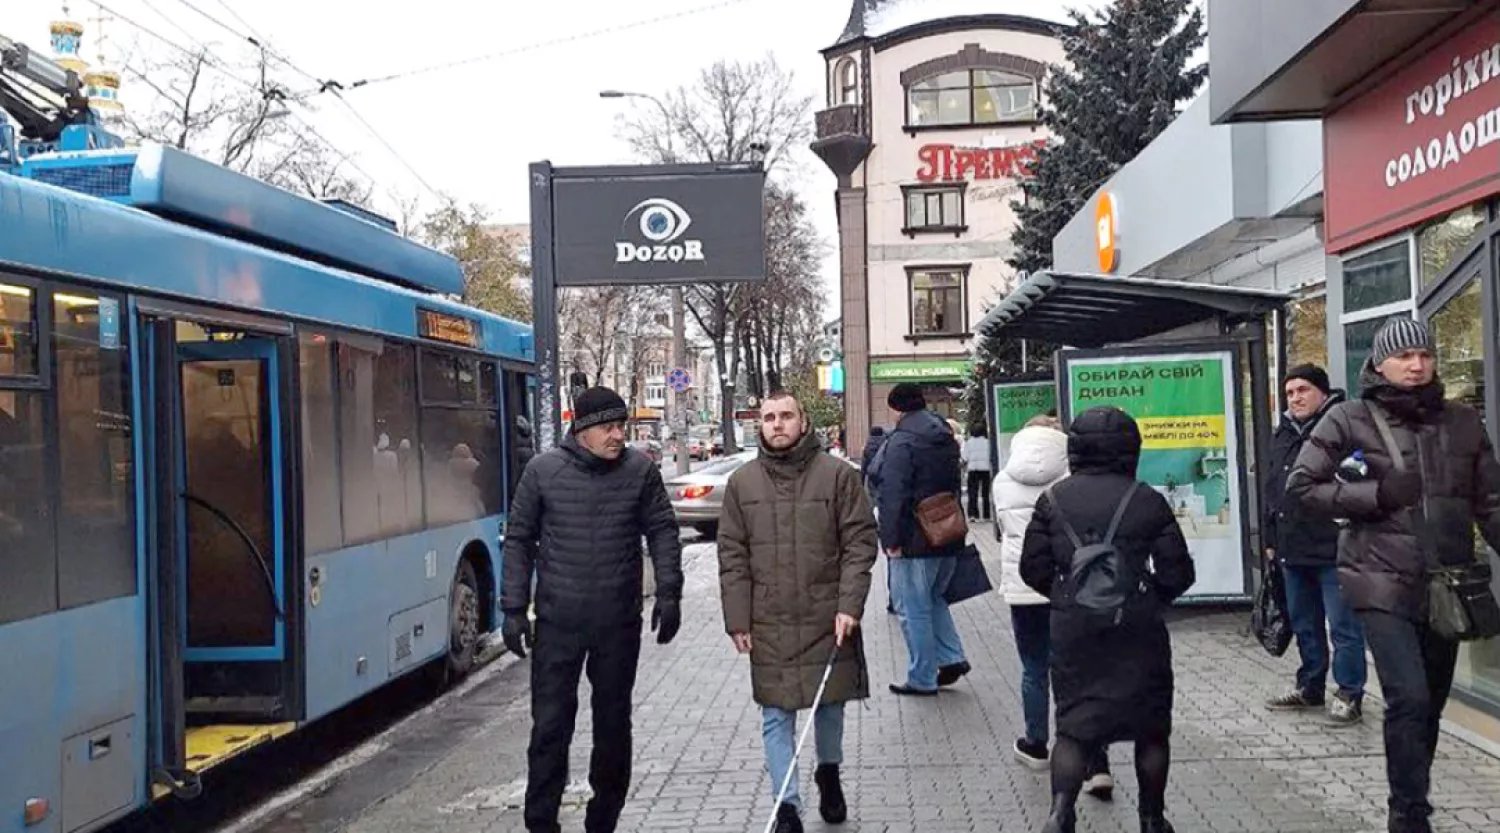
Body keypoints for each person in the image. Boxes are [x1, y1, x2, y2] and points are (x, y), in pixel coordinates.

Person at [1286, 318, 1500, 833]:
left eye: (1424, 355)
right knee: (1407, 696)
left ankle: (1410, 791)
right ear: (1380, 363)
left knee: (1430, 702)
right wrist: (1375, 495)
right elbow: (1301, 486)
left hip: (1446, 581)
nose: (1417, 364)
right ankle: (1409, 815)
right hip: (1378, 578)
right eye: (1404, 356)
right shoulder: (1349, 418)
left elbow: (1490, 503)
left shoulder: (1463, 421)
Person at [499, 386, 684, 833]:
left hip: (617, 623)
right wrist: (513, 607)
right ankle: (541, 821)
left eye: (621, 426)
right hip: (559, 622)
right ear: (581, 431)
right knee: (549, 728)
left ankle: (603, 818)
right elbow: (519, 540)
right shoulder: (542, 472)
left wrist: (669, 592)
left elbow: (662, 530)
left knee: (613, 725)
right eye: (608, 427)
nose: (618, 435)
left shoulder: (640, 471)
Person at [1019, 406, 1196, 833]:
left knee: (1075, 727)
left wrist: (1067, 597)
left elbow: (1032, 566)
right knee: (1151, 728)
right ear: (1130, 447)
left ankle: (1061, 813)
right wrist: (1147, 597)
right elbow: (1178, 571)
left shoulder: (1053, 500)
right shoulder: (1146, 498)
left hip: (1074, 627)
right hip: (1137, 627)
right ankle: (1152, 819)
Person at [718, 390, 877, 833]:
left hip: (828, 615)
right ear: (760, 425)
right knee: (775, 711)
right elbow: (732, 554)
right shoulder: (742, 483)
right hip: (769, 618)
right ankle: (786, 804)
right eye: (769, 417)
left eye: (786, 415)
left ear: (803, 422)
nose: (777, 423)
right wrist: (737, 618)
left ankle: (829, 771)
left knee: (829, 703)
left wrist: (850, 604)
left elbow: (860, 542)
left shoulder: (839, 477)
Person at [994, 415, 1115, 797]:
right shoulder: (1075, 479)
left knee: (1034, 667)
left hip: (1024, 587)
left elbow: (1002, 529)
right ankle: (1095, 761)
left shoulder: (1002, 481)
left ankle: (1035, 744)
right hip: (1071, 588)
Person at [1261, 364, 1366, 724]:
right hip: (1292, 547)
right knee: (1305, 624)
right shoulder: (1284, 433)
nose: (1296, 398)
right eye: (1290, 393)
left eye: (1303, 390)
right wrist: (1271, 538)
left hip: (1334, 547)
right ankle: (1310, 687)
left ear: (1323, 391)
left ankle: (1350, 693)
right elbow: (1272, 488)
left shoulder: (1343, 429)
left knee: (1342, 627)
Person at [875, 383, 970, 695]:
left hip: (915, 538)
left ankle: (922, 677)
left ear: (896, 409)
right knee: (935, 598)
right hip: (948, 531)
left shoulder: (902, 442)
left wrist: (890, 539)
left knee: (912, 607)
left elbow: (893, 494)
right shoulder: (945, 435)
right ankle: (951, 656)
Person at [961, 424, 994, 521]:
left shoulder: (968, 443)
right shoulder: (988, 442)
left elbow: (965, 457)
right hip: (985, 469)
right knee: (985, 493)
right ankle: (986, 515)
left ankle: (973, 515)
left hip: (972, 469)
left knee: (972, 493)